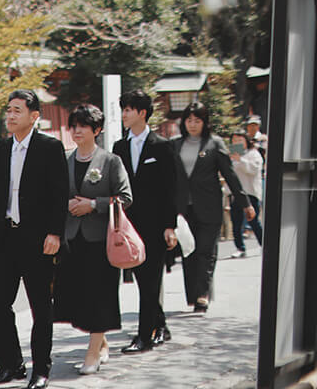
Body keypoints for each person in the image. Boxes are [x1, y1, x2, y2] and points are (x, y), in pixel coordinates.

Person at [0, 89, 68, 389]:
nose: (10, 115)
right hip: (7, 236)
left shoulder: (50, 147)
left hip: (38, 238)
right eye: (8, 109)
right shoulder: (0, 148)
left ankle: (40, 369)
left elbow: (60, 194)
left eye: (17, 110)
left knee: (40, 305)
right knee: (0, 301)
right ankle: (10, 365)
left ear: (34, 116)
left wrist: (55, 233)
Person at [52, 104, 133, 375]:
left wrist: (93, 204)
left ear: (96, 130)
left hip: (101, 240)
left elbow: (125, 197)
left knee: (100, 296)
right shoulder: (65, 160)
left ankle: (92, 352)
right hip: (72, 239)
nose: (76, 131)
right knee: (80, 296)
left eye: (83, 126)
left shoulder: (110, 161)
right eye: (73, 126)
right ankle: (102, 342)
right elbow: (51, 194)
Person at [112, 89, 178, 353]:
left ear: (142, 113)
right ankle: (160, 325)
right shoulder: (119, 146)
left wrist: (170, 226)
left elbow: (171, 189)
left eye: (129, 109)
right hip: (130, 226)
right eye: (123, 109)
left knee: (151, 280)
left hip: (156, 225)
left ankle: (144, 336)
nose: (124, 114)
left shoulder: (162, 146)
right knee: (143, 279)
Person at [173, 101, 255, 312]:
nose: (192, 124)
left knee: (206, 251)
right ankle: (193, 294)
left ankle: (203, 295)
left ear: (205, 122)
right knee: (188, 251)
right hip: (184, 207)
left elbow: (230, 175)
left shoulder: (214, 144)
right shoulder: (175, 144)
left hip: (209, 206)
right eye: (189, 120)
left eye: (197, 120)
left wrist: (245, 202)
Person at [229, 131, 264, 256]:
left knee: (253, 221)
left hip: (250, 192)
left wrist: (241, 160)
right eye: (234, 141)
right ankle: (240, 248)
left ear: (246, 141)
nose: (236, 143)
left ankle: (263, 245)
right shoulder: (231, 156)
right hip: (236, 193)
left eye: (239, 140)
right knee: (236, 222)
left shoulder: (254, 154)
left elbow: (253, 170)